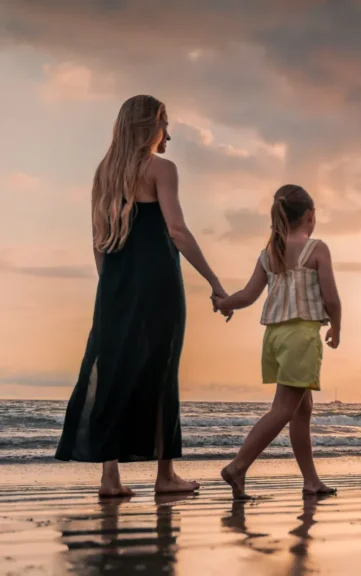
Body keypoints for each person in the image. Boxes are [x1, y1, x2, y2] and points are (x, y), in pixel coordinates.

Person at [55, 95, 230, 497]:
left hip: (114, 287)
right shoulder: (161, 168)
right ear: (150, 126)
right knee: (160, 371)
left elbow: (98, 239)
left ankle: (110, 478)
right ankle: (165, 475)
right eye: (165, 124)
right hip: (158, 286)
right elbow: (177, 231)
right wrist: (214, 281)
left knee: (112, 372)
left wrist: (112, 288)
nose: (168, 134)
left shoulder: (105, 173)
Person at [215, 184, 342, 500]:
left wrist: (224, 303)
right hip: (301, 336)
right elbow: (332, 299)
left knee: (301, 409)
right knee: (284, 409)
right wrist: (336, 328)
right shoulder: (317, 249)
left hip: (274, 337)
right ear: (310, 216)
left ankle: (311, 481)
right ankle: (238, 466)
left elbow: (247, 295)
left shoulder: (269, 252)